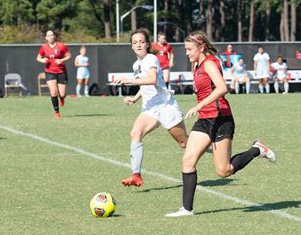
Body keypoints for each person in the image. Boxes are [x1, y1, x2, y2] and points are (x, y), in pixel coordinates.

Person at [165, 31, 276, 217]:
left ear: (200, 48)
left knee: (223, 171)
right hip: (204, 120)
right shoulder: (197, 64)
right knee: (188, 160)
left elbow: (223, 88)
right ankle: (187, 209)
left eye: (189, 49)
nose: (187, 53)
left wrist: (199, 105)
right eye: (186, 49)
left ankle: (257, 149)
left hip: (220, 119)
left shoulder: (208, 63)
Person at [114, 28, 188, 187]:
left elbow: (152, 79)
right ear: (131, 46)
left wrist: (127, 80)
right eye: (135, 42)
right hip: (150, 108)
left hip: (165, 106)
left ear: (147, 44)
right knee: (135, 133)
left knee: (185, 144)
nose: (138, 45)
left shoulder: (151, 59)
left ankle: (215, 149)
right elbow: (144, 84)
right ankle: (136, 175)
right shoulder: (136, 64)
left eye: (141, 41)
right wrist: (135, 98)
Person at [36, 30, 71, 119]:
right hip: (49, 71)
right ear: (46, 38)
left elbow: (69, 55)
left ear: (54, 36)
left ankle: (62, 98)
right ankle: (57, 112)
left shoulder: (61, 46)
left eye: (52, 35)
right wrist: (42, 60)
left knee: (62, 94)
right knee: (53, 92)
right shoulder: (44, 47)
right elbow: (38, 57)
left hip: (61, 72)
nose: (50, 37)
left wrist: (61, 60)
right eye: (48, 35)